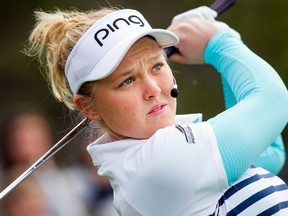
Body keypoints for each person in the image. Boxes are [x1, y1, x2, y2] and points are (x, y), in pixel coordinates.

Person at [24, 5, 288, 216]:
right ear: (89, 107)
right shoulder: (156, 164)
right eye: (127, 80)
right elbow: (275, 101)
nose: (153, 88)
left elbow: (268, 154)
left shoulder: (152, 157)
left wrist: (220, 40)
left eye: (156, 66)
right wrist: (219, 43)